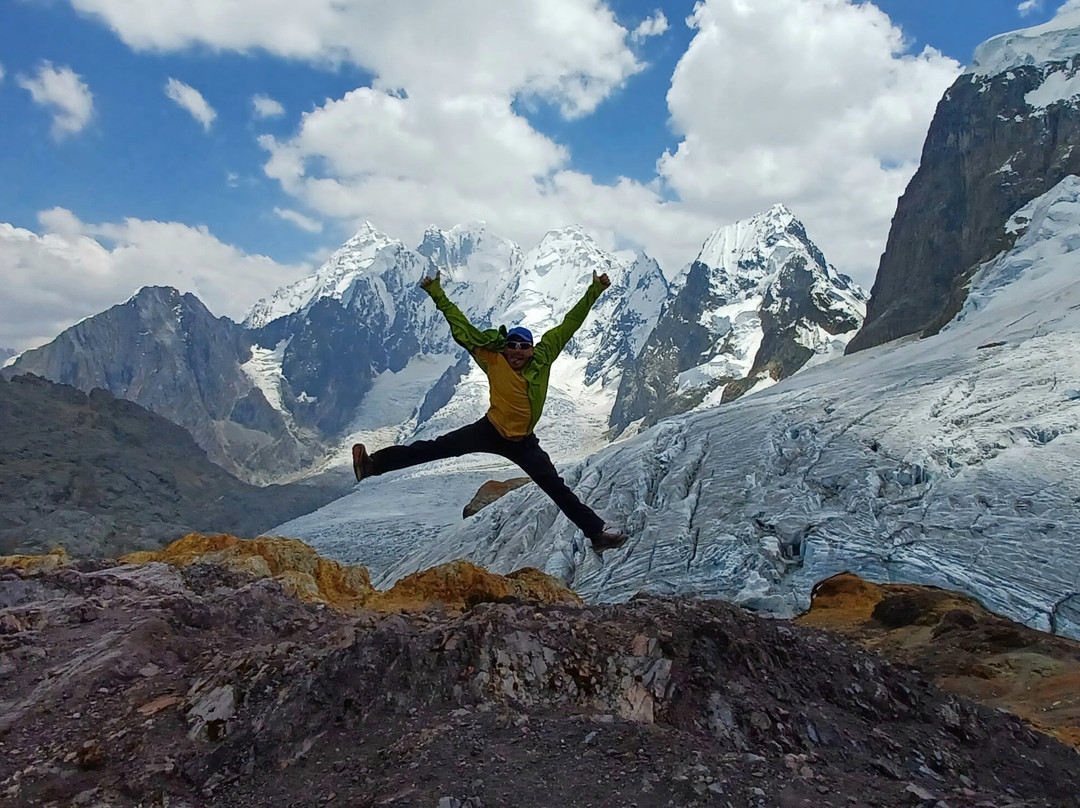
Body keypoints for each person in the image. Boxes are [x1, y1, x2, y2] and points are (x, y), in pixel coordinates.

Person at [352, 268, 629, 555]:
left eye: (523, 346)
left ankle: (597, 534)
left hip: (523, 442)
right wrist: (436, 293)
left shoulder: (544, 357)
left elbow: (570, 323)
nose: (517, 351)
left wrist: (595, 289)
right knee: (434, 448)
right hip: (490, 430)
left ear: (532, 350)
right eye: (512, 345)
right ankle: (372, 465)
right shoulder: (492, 358)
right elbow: (463, 328)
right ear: (505, 348)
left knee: (556, 487)